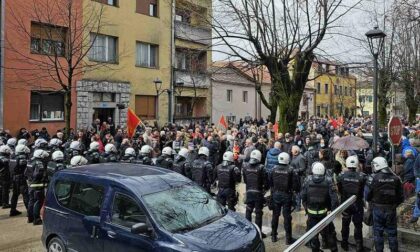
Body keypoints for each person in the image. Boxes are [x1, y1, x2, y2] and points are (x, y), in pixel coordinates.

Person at [366, 157, 404, 252]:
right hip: (391, 209)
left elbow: (367, 196)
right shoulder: (396, 178)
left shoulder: (373, 178)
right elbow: (401, 197)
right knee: (392, 234)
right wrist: (393, 205)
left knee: (378, 234)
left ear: (377, 165)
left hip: (377, 209)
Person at [301, 162, 339, 252]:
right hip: (325, 214)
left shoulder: (307, 180)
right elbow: (334, 199)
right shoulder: (329, 180)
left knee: (314, 235)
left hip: (311, 213)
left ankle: (316, 249)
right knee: (330, 233)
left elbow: (303, 196)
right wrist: (332, 212)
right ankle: (333, 249)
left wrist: (306, 208)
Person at [337, 156, 366, 251]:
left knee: (345, 224)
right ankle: (359, 246)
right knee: (358, 225)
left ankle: (344, 243)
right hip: (357, 204)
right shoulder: (362, 176)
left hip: (346, 204)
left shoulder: (341, 176)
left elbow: (339, 189)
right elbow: (363, 191)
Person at [269, 152, 298, 244]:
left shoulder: (273, 169)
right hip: (286, 195)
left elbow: (270, 182)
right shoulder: (291, 170)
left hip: (276, 194)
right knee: (287, 217)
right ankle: (288, 239)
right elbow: (295, 185)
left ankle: (273, 236)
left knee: (275, 215)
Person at [242, 149, 268, 238]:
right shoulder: (261, 167)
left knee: (248, 210)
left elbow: (245, 180)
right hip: (258, 193)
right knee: (258, 213)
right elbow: (265, 181)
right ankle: (258, 233)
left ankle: (248, 231)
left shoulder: (245, 166)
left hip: (249, 191)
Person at [25, 149, 49, 225]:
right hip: (37, 186)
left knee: (31, 202)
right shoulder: (39, 163)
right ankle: (37, 219)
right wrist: (44, 178)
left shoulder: (30, 161)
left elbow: (25, 173)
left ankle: (30, 218)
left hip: (30, 184)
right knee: (38, 202)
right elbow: (38, 174)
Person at [10, 144, 30, 216]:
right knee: (25, 194)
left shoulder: (13, 156)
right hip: (21, 178)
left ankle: (12, 210)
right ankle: (29, 211)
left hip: (14, 177)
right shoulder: (22, 158)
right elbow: (26, 167)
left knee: (15, 195)